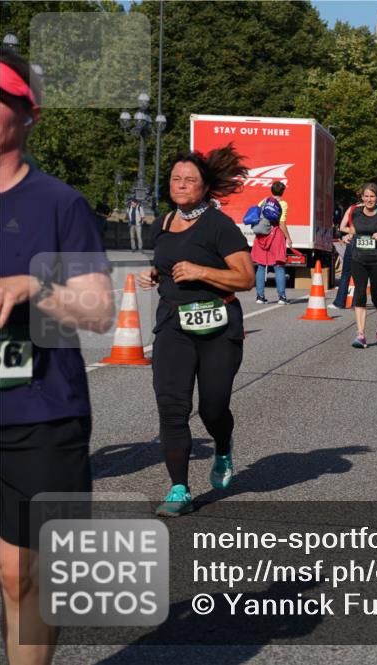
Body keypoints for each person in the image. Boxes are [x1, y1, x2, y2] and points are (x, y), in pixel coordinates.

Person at [0, 47, 115, 664]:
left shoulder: (58, 204)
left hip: (38, 413)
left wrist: (30, 287)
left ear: (27, 113)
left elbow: (98, 310)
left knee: (23, 575)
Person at [137, 145, 254, 516]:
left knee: (213, 406)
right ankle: (179, 489)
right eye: (176, 179)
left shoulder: (219, 226)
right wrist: (154, 273)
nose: (181, 185)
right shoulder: (164, 222)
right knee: (172, 408)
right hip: (173, 325)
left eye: (190, 180)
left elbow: (246, 278)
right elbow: (166, 262)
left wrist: (202, 272)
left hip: (217, 323)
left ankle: (222, 444)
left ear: (205, 188)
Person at [340, 183, 377, 348]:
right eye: (366, 196)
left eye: (372, 196)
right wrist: (347, 237)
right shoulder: (356, 212)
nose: (369, 199)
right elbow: (353, 230)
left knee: (375, 296)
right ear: (362, 197)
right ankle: (360, 335)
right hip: (358, 259)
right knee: (359, 295)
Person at [251, 181, 292, 305]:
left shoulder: (263, 201)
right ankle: (282, 297)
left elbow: (257, 216)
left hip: (262, 236)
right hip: (276, 235)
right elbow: (282, 223)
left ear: (271, 190)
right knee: (278, 265)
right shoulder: (283, 204)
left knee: (261, 265)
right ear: (282, 191)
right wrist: (288, 238)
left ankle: (260, 296)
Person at [331, 200, 357, 310]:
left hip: (353, 242)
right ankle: (357, 303)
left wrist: (352, 232)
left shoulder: (352, 208)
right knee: (361, 276)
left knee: (346, 274)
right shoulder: (375, 210)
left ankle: (340, 302)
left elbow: (342, 227)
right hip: (367, 245)